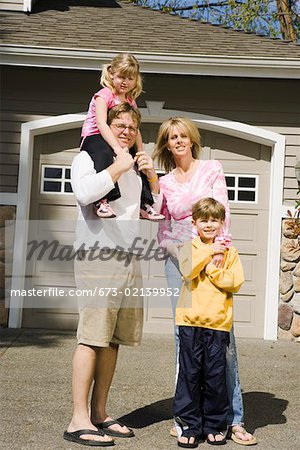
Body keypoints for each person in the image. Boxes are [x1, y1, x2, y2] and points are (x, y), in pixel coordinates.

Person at [153, 117, 257, 446]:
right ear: (166, 144)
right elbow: (163, 225)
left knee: (222, 341)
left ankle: (234, 418)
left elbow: (222, 211)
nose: (179, 141)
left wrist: (215, 253)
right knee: (184, 341)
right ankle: (186, 418)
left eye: (183, 135)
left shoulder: (211, 168)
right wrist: (179, 254)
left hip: (213, 259)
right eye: (172, 137)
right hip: (180, 264)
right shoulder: (165, 182)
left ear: (192, 139)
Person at [63, 103, 161, 447]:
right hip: (97, 256)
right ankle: (78, 419)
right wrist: (118, 168)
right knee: (91, 336)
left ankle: (100, 413)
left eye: (132, 128)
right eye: (119, 125)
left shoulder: (134, 165)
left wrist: (149, 175)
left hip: (129, 258)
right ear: (107, 126)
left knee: (114, 340)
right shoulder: (88, 156)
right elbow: (84, 193)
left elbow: (154, 209)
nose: (125, 132)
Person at [174, 197, 244, 448]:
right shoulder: (189, 247)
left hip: (217, 323)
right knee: (190, 375)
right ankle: (190, 425)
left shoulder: (230, 252)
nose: (209, 224)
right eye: (204, 220)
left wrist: (214, 268)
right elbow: (188, 271)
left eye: (214, 220)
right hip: (190, 320)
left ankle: (214, 425)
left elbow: (234, 282)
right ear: (194, 223)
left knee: (214, 376)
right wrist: (209, 252)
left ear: (222, 223)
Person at [80, 53, 164, 221]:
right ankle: (101, 200)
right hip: (95, 136)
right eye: (121, 77)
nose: (125, 82)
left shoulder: (130, 100)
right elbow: (102, 124)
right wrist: (118, 149)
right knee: (104, 154)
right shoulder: (104, 95)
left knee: (139, 162)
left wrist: (140, 151)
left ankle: (144, 203)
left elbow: (136, 128)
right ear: (111, 74)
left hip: (117, 139)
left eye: (130, 78)